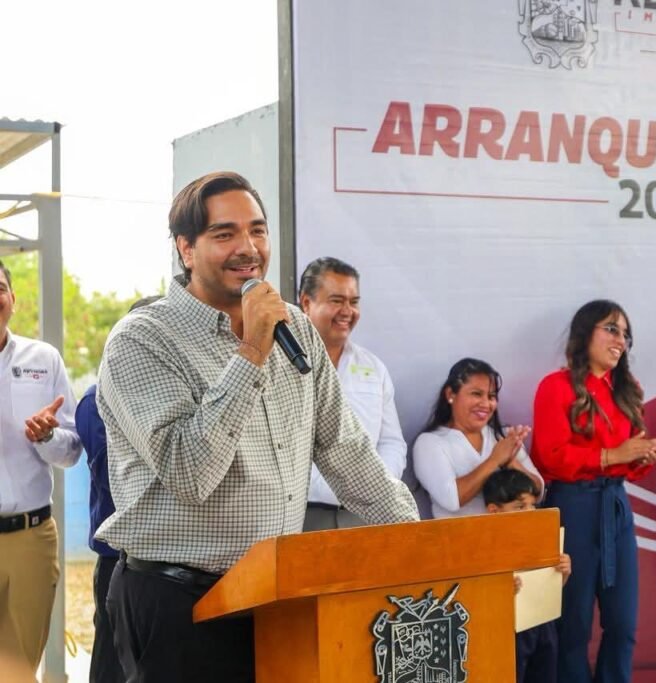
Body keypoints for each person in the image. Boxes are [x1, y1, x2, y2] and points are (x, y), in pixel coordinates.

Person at [95, 171, 419, 683]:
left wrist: (428, 549)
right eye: (225, 234)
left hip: (276, 598)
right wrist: (252, 352)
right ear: (185, 248)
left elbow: (348, 452)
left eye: (258, 230)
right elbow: (190, 472)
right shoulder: (142, 340)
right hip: (179, 604)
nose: (248, 248)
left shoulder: (296, 328)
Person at [530, 299, 656, 683]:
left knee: (623, 624)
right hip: (572, 506)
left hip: (615, 505)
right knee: (572, 626)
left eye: (625, 334)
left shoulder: (627, 389)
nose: (620, 340)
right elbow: (549, 457)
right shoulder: (555, 386)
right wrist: (612, 455)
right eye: (611, 329)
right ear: (585, 332)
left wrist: (643, 456)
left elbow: (629, 467)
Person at [0, 259, 82, 681]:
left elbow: (71, 451)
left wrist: (46, 437)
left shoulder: (43, 360)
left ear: (13, 299)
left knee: (17, 671)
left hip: (30, 539)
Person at [75, 295, 161, 683]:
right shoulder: (96, 400)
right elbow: (121, 481)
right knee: (112, 665)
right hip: (120, 558)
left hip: (166, 564)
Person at [298, 257, 407, 530]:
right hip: (302, 514)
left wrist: (375, 485)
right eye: (337, 300)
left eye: (354, 302)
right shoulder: (279, 362)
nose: (347, 311)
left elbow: (392, 442)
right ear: (306, 302)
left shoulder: (373, 368)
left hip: (363, 516)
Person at [412, 357, 543, 518]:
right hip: (459, 534)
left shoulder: (503, 437)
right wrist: (494, 460)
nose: (486, 404)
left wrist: (511, 462)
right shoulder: (429, 443)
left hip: (512, 533)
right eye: (476, 394)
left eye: (491, 396)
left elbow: (538, 492)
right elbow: (452, 500)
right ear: (450, 394)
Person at [483, 468, 571, 683]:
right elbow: (480, 597)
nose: (530, 512)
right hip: (508, 629)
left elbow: (550, 586)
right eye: (520, 507)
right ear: (494, 511)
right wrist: (502, 590)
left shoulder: (543, 537)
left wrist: (562, 572)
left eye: (533, 505)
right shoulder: (485, 549)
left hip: (542, 624)